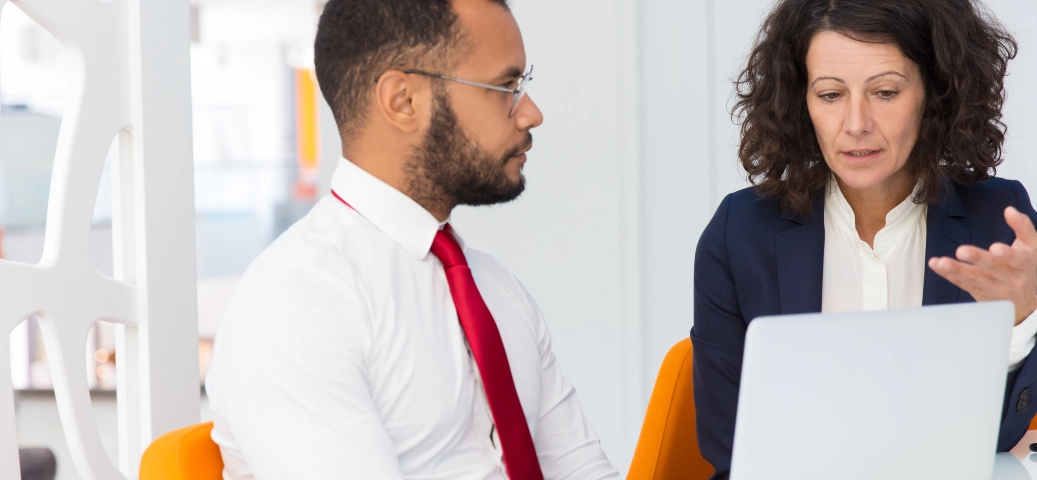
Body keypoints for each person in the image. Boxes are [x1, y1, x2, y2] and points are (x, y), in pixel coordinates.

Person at [203, 0, 619, 478]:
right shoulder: (295, 304)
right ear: (403, 101)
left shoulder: (498, 291)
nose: (531, 113)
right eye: (505, 87)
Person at [692, 0, 1037, 478]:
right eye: (830, 94)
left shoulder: (1000, 222)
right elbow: (729, 448)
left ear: (936, 91)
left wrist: (1019, 322)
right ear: (800, 100)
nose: (856, 124)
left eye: (885, 92)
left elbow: (994, 443)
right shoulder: (741, 233)